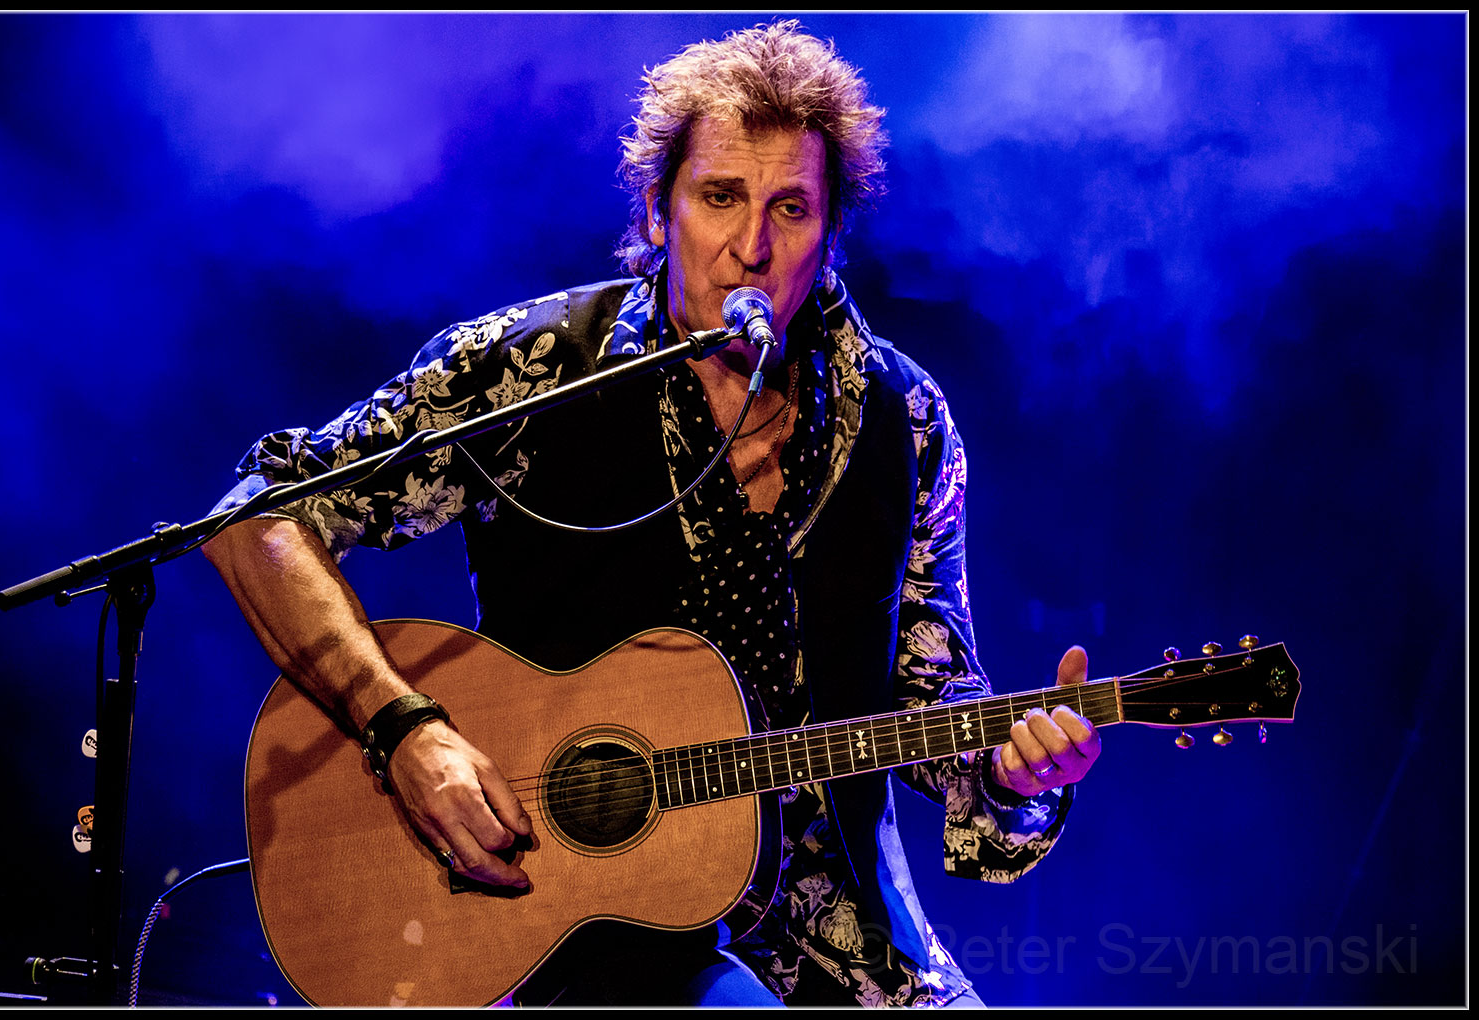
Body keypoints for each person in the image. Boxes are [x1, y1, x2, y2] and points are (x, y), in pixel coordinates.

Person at [205, 21, 1101, 1007]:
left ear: (830, 231)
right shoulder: (534, 372)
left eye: (791, 208)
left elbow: (930, 695)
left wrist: (1013, 773)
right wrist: (406, 730)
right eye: (719, 197)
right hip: (573, 914)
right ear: (657, 210)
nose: (751, 248)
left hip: (841, 933)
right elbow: (258, 520)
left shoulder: (902, 418)